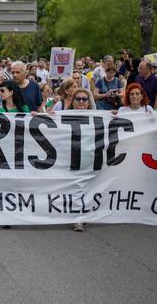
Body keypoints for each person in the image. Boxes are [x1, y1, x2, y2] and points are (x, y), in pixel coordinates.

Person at [62, 87, 95, 232]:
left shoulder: (98, 117)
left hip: (89, 157)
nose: (81, 102)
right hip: (68, 157)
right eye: (78, 99)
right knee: (75, 187)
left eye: (84, 99)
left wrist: (113, 116)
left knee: (85, 187)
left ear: (88, 102)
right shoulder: (62, 115)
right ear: (73, 101)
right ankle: (77, 216)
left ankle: (80, 216)